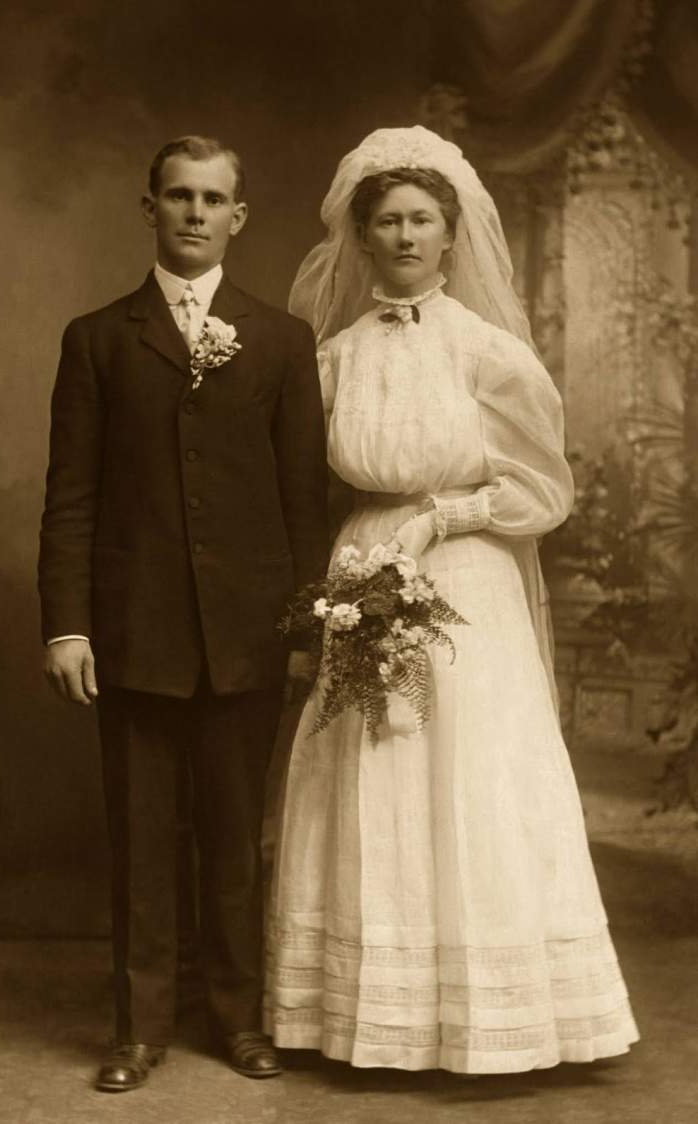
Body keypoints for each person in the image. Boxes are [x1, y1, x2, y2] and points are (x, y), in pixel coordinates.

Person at [264, 126, 639, 1073]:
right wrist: (352, 571)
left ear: (451, 233)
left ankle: (494, 1014)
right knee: (369, 765)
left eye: (422, 219)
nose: (404, 236)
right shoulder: (334, 356)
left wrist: (444, 516)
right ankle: (369, 1014)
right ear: (361, 236)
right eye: (387, 220)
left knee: (474, 769)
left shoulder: (488, 351)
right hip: (363, 560)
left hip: (469, 573)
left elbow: (542, 489)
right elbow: (302, 481)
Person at [38, 135, 329, 1091]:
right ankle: (139, 1029)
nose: (195, 213)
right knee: (142, 839)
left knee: (236, 838)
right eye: (178, 196)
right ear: (150, 209)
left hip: (247, 634)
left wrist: (305, 628)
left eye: (212, 199)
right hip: (134, 633)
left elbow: (303, 501)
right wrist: (68, 625)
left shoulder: (281, 341)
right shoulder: (97, 339)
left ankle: (238, 1020)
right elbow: (71, 496)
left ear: (238, 217)